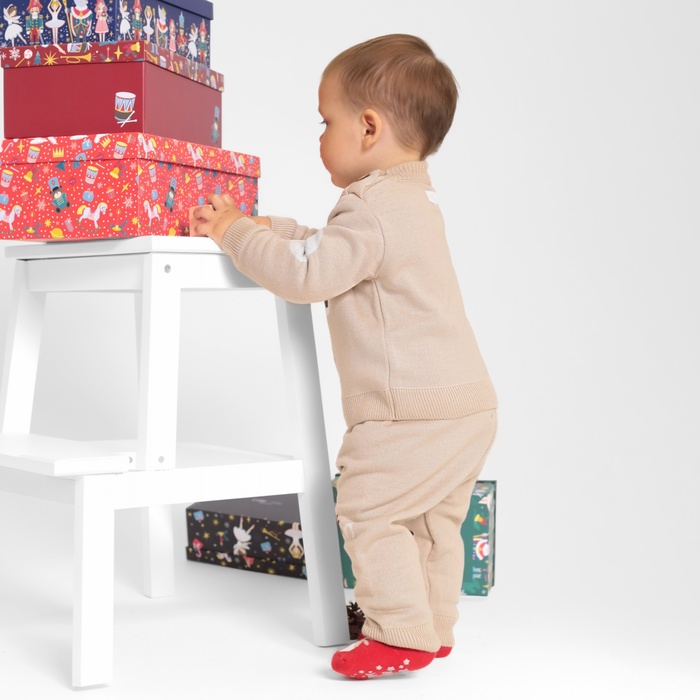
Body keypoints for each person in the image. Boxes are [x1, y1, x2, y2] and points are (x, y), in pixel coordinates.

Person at [189, 33, 498, 680]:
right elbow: (335, 253)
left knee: (368, 508)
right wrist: (277, 229)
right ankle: (430, 625)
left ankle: (399, 632)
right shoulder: (409, 202)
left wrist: (234, 232)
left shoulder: (368, 207)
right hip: (465, 405)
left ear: (368, 128)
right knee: (433, 524)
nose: (321, 137)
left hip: (405, 409)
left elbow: (307, 275)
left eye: (325, 122)